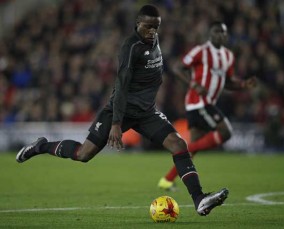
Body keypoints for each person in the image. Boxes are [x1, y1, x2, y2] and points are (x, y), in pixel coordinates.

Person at [16, 5, 228, 216]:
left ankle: (199, 199)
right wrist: (116, 124)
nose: (153, 31)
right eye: (148, 27)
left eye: (156, 27)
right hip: (120, 110)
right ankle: (41, 146)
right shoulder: (131, 47)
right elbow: (121, 86)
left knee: (178, 144)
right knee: (83, 154)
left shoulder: (153, 39)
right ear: (138, 24)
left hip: (146, 112)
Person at [158, 21, 257, 190]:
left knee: (191, 150)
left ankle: (166, 180)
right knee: (226, 132)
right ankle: (173, 171)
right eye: (216, 31)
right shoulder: (201, 51)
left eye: (223, 32)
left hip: (207, 103)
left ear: (226, 35)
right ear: (210, 34)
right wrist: (194, 84)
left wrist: (243, 85)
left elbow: (228, 83)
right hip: (198, 102)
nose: (220, 34)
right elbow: (177, 68)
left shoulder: (228, 56)